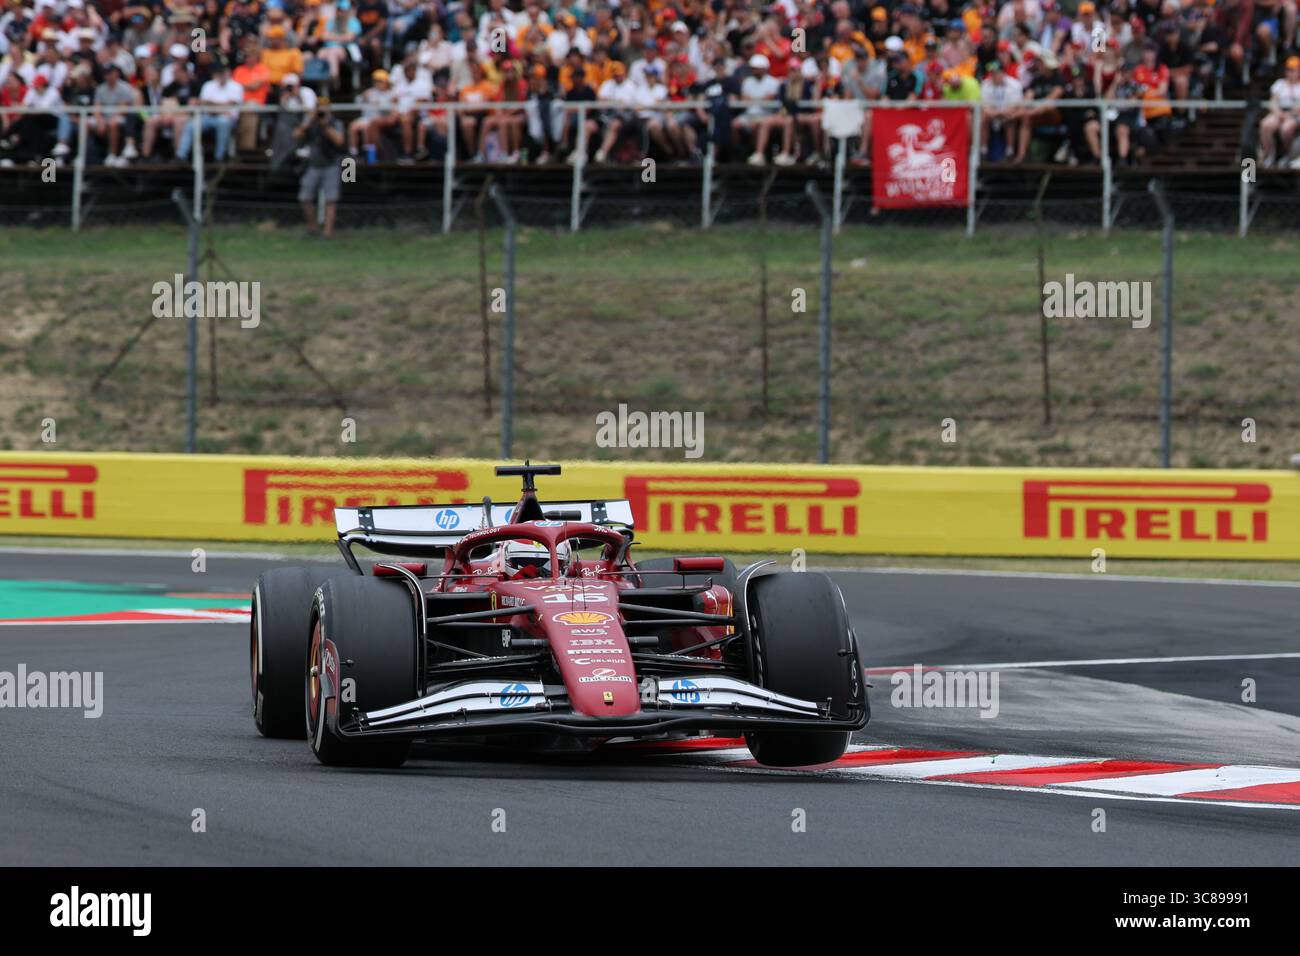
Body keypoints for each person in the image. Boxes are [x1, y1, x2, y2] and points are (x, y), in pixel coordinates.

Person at [295, 98, 345, 236]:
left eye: (324, 107)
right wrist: (309, 122)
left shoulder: (335, 123)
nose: (321, 110)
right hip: (314, 166)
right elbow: (296, 135)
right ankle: (313, 228)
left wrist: (325, 126)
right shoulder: (312, 123)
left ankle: (328, 232)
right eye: (319, 107)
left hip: (331, 165)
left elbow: (339, 141)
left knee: (331, 199)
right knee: (305, 197)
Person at [176, 60, 243, 161]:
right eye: (219, 72)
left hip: (227, 119)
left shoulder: (236, 86)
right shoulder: (209, 85)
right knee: (191, 125)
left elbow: (230, 107)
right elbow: (203, 104)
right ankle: (181, 156)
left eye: (223, 72)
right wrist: (222, 106)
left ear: (228, 72)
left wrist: (212, 104)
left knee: (223, 121)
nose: (222, 74)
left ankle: (220, 157)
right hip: (208, 117)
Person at [1261, 55, 1300, 166]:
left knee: (1286, 129)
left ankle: (1287, 155)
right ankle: (1270, 154)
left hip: (1295, 115)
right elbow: (1273, 102)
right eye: (1288, 70)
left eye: (1293, 70)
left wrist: (1291, 114)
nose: (1290, 73)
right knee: (1266, 125)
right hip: (1279, 112)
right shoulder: (1280, 84)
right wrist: (1279, 113)